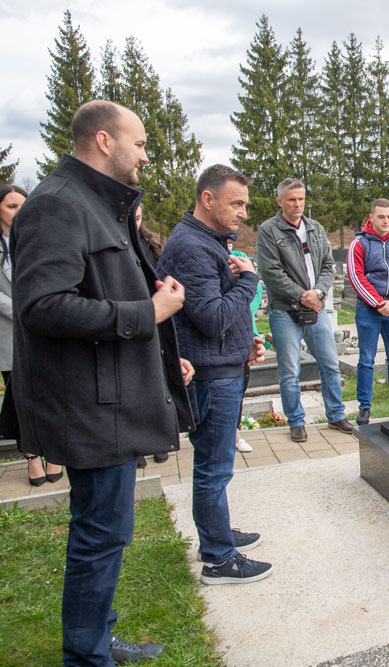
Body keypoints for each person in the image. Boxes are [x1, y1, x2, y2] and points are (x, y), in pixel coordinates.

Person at [11, 100, 195, 665]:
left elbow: (101, 291)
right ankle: (87, 655)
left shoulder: (97, 203)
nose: (146, 155)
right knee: (99, 534)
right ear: (103, 141)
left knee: (106, 532)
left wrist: (164, 356)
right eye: (139, 143)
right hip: (89, 406)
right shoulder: (57, 205)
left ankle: (93, 638)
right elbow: (42, 306)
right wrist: (149, 313)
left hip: (110, 396)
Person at [157, 164, 271, 585]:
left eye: (245, 204)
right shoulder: (193, 247)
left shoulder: (209, 242)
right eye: (236, 203)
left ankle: (217, 534)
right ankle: (219, 559)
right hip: (211, 376)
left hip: (223, 366)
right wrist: (250, 281)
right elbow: (211, 317)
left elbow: (216, 312)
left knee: (216, 465)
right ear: (208, 199)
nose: (243, 212)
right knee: (213, 467)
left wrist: (245, 343)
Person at [256, 177, 354, 441]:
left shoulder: (315, 228)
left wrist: (318, 293)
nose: (297, 204)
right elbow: (271, 272)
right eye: (291, 200)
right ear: (279, 201)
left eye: (301, 199)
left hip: (316, 308)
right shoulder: (268, 231)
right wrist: (303, 296)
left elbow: (328, 266)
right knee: (290, 371)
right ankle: (296, 421)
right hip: (285, 310)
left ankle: (336, 415)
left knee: (330, 364)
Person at [0, 185, 61, 485]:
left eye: (22, 206)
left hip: (42, 331)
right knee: (19, 396)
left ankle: (54, 452)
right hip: (9, 331)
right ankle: (32, 456)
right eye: (11, 206)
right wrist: (27, 308)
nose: (18, 212)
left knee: (50, 393)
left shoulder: (40, 240)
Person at [347, 198, 389, 425]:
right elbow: (356, 277)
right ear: (371, 217)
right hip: (368, 310)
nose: (386, 221)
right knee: (366, 360)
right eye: (381, 217)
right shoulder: (359, 244)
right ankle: (364, 407)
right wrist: (379, 303)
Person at [132, 202, 171, 468]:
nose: (134, 222)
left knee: (157, 380)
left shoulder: (149, 243)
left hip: (155, 318)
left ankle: (158, 439)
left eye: (138, 217)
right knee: (134, 383)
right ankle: (136, 445)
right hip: (129, 319)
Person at [227, 239, 263, 453]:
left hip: (243, 329)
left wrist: (241, 314)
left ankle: (235, 433)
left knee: (239, 387)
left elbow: (255, 290)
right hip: (217, 330)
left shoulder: (240, 256)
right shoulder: (201, 252)